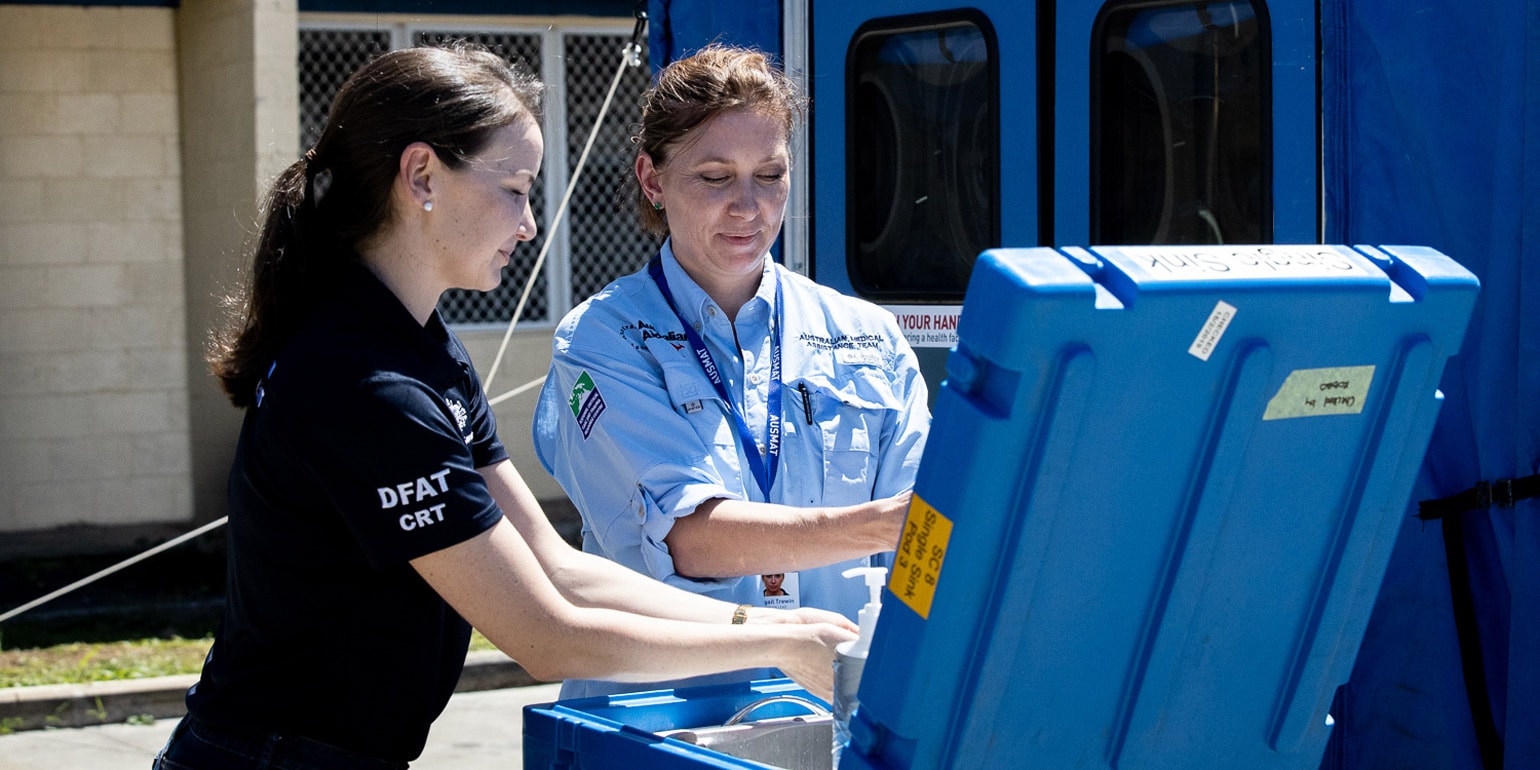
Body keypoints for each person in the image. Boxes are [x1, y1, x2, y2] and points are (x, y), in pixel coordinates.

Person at [152, 44, 855, 770]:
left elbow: (552, 564)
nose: (528, 225)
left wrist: (776, 623)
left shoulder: (421, 347)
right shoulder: (366, 382)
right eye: (515, 189)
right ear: (421, 175)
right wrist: (773, 643)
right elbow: (546, 635)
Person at [533, 44, 931, 699]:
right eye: (715, 177)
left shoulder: (868, 335)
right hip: (662, 716)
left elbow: (923, 554)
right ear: (652, 179)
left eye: (770, 175)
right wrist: (889, 523)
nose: (748, 207)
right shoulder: (603, 340)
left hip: (834, 709)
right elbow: (692, 541)